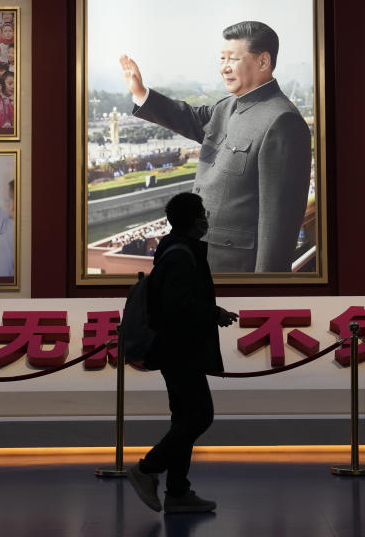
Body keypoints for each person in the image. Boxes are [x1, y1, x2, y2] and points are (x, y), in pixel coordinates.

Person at [120, 21, 311, 272]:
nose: (224, 68)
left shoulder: (282, 120)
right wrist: (141, 92)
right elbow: (187, 117)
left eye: (232, 59)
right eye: (221, 59)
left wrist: (266, 289)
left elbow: (278, 223)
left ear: (263, 62)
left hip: (235, 271)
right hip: (200, 263)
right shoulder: (227, 106)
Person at [126, 192, 237, 514]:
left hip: (178, 349)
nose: (206, 219)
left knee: (185, 418)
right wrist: (213, 313)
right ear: (191, 220)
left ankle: (177, 491)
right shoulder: (179, 255)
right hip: (181, 349)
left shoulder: (175, 250)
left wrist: (210, 312)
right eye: (202, 213)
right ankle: (146, 469)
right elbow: (177, 307)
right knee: (200, 416)